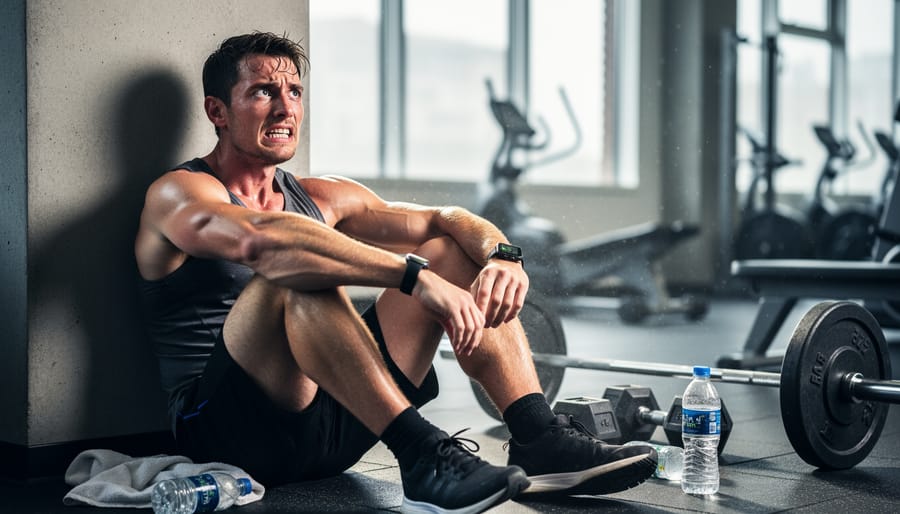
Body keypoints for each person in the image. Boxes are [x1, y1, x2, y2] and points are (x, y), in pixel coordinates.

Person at [135, 31, 657, 513]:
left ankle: (539, 434)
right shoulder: (178, 193)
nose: (285, 106)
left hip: (333, 424)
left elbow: (443, 219)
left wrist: (503, 254)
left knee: (451, 252)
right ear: (217, 111)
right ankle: (422, 453)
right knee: (293, 270)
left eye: (294, 91)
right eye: (263, 92)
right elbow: (260, 239)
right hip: (229, 433)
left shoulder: (318, 195)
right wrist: (412, 277)